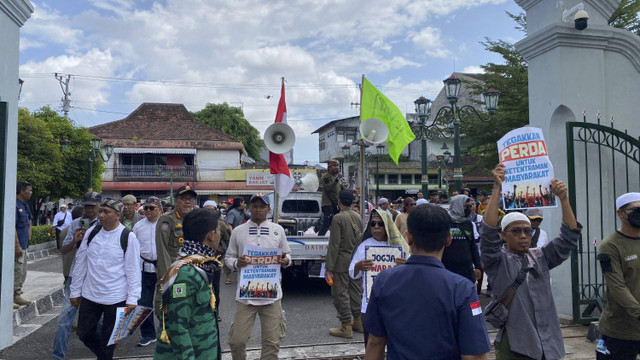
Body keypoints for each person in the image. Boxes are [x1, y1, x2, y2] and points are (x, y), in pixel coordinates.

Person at [364, 204, 491, 360]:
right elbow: (474, 356)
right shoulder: (462, 288)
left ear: (409, 237)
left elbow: (375, 343)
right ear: (448, 239)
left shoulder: (383, 281)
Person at [481, 164, 581, 360]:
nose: (524, 236)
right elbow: (487, 233)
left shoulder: (540, 257)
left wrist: (564, 199)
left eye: (528, 231)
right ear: (503, 235)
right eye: (516, 231)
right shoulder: (497, 262)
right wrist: (496, 189)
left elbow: (569, 237)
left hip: (549, 345)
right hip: (517, 346)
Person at [70, 199, 141, 360]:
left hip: (116, 297)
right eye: (100, 211)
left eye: (106, 212)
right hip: (90, 294)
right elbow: (81, 262)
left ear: (118, 215)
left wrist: (132, 298)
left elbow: (133, 270)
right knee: (84, 333)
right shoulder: (92, 232)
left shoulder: (128, 237)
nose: (101, 215)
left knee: (110, 341)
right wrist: (75, 290)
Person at [224, 193, 292, 360]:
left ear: (269, 209)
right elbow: (228, 257)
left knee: (271, 342)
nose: (258, 210)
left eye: (262, 206)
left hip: (272, 296)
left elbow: (288, 255)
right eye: (255, 206)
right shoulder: (239, 231)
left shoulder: (278, 230)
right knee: (237, 341)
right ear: (248, 208)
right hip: (246, 297)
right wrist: (235, 263)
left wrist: (286, 260)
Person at [154, 208, 222, 360]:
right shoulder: (185, 275)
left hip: (205, 351)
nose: (219, 234)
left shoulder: (201, 265)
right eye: (218, 230)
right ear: (211, 235)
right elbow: (177, 327)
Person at [52, 192, 101, 360]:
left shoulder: (106, 225)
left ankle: (103, 354)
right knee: (64, 320)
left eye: (93, 206)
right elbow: (63, 250)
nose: (90, 210)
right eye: (87, 206)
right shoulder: (75, 224)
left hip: (97, 278)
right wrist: (74, 240)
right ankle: (57, 356)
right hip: (75, 277)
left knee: (100, 322)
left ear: (99, 206)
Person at [349, 210, 409, 348]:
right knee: (371, 344)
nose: (376, 227)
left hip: (395, 304)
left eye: (380, 224)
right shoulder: (364, 245)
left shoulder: (399, 246)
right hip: (369, 304)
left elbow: (413, 272)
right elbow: (352, 272)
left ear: (387, 226)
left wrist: (406, 266)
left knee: (395, 343)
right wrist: (359, 265)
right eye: (373, 224)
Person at [596, 192, 640, 359]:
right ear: (621, 213)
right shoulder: (610, 246)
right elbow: (617, 286)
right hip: (619, 331)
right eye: (636, 210)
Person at [325, 190, 363, 339]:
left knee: (340, 293)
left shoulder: (338, 218)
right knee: (355, 291)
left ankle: (346, 325)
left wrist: (329, 267)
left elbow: (334, 244)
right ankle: (359, 322)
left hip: (341, 260)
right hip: (355, 259)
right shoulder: (357, 216)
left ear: (339, 201)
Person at [155, 185, 197, 315]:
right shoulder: (167, 219)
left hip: (192, 271)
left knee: (189, 308)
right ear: (176, 200)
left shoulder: (195, 219)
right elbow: (162, 249)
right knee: (168, 309)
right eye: (184, 198)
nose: (188, 202)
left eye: (191, 199)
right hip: (173, 271)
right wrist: (167, 276)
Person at [132, 196, 162, 347]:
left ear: (159, 209)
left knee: (165, 301)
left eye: (152, 208)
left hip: (163, 267)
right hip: (144, 268)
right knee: (143, 302)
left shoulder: (165, 224)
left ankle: (167, 331)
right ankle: (148, 334)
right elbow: (133, 248)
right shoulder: (138, 226)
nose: (148, 211)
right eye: (146, 208)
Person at [442, 195, 482, 284]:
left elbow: (472, 246)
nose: (468, 208)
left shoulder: (468, 224)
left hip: (466, 269)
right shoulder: (445, 222)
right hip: (448, 268)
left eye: (469, 206)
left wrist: (477, 266)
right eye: (465, 206)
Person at [203, 199, 230, 318]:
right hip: (199, 262)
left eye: (212, 210)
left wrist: (222, 253)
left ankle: (215, 312)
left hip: (215, 261)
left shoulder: (221, 225)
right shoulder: (197, 223)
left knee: (215, 289)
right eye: (206, 210)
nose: (209, 212)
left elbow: (228, 242)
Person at [14, 181, 33, 308]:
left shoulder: (25, 205)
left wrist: (29, 235)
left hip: (25, 244)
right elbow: (12, 226)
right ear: (21, 190)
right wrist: (16, 245)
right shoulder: (14, 204)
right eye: (29, 190)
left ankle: (17, 293)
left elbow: (29, 221)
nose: (31, 193)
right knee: (16, 271)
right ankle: (12, 296)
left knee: (22, 271)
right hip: (18, 245)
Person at [318, 159, 348, 236]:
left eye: (337, 166)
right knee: (326, 223)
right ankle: (320, 238)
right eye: (334, 166)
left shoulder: (338, 178)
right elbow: (328, 188)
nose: (336, 167)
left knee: (337, 222)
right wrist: (336, 180)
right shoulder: (326, 177)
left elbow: (343, 188)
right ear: (329, 167)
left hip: (336, 203)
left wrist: (349, 191)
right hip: (328, 204)